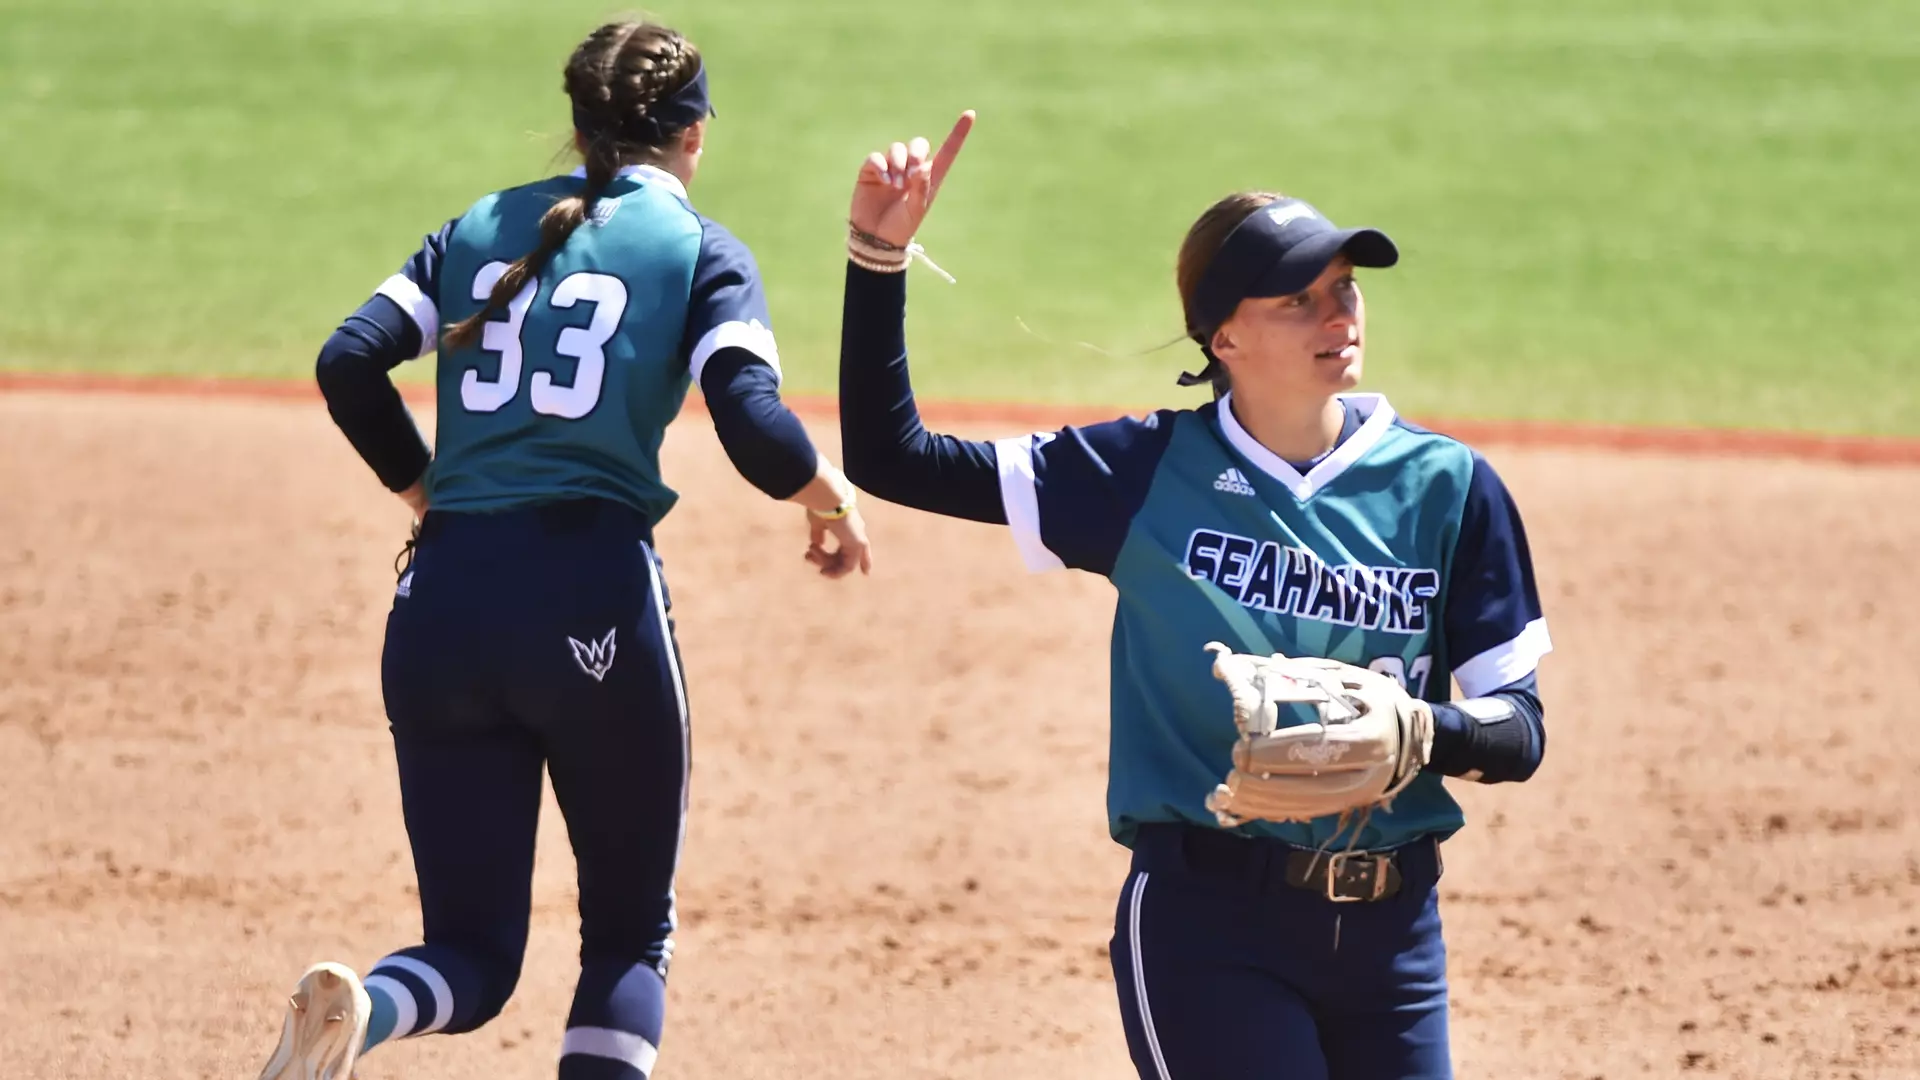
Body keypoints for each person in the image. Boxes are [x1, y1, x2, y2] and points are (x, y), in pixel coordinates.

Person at [836, 113, 1551, 1080]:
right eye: (1299, 300)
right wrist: (877, 258)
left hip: (1395, 942)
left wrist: (1425, 733)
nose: (1339, 316)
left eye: (1344, 290)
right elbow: (893, 456)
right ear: (1224, 335)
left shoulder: (1448, 487)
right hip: (1212, 931)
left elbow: (1520, 730)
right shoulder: (1142, 471)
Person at [254, 21, 871, 1080]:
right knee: (628, 937)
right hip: (591, 601)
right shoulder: (701, 251)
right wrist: (828, 494)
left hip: (443, 604)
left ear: (581, 126)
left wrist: (428, 492)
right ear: (695, 132)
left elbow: (348, 361)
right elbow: (754, 423)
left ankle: (367, 1013)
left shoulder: (477, 228)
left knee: (473, 952)